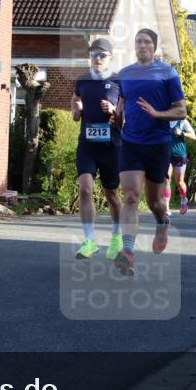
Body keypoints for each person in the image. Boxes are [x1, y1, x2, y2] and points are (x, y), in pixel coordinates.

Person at [112, 28, 187, 276]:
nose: (142, 45)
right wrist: (116, 116)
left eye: (146, 42)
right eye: (138, 42)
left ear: (154, 47)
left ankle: (163, 222)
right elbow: (122, 104)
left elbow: (181, 111)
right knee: (131, 196)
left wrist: (157, 114)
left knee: (154, 202)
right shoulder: (124, 75)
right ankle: (128, 253)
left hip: (157, 143)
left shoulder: (167, 73)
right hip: (131, 142)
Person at [71, 38, 123, 259]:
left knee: (111, 193)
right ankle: (89, 240)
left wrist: (113, 109)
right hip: (87, 145)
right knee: (84, 189)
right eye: (94, 54)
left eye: (102, 55)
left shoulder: (119, 81)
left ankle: (117, 236)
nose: (97, 58)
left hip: (112, 145)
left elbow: (124, 116)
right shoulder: (82, 80)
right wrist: (76, 108)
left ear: (110, 57)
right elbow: (75, 100)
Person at [166, 116, 196, 215]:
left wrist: (182, 133)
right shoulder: (164, 120)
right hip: (167, 155)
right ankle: (166, 207)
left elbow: (193, 136)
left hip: (180, 155)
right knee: (166, 179)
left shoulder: (183, 122)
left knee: (179, 182)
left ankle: (183, 199)